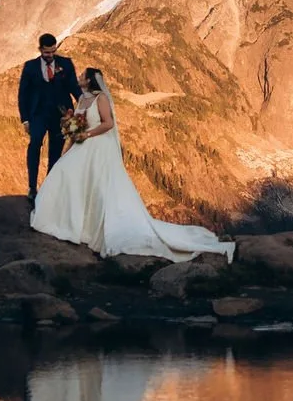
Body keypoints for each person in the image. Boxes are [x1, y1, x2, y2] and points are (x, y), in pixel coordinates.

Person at [30, 67, 235, 263]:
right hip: (82, 145)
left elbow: (108, 123)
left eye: (83, 75)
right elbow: (77, 123)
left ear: (90, 80)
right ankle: (67, 219)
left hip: (96, 146)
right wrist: (70, 136)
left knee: (93, 184)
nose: (80, 76)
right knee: (65, 172)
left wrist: (87, 134)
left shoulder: (100, 98)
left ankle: (88, 226)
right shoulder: (82, 99)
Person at [17, 32, 80, 201]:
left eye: (53, 51)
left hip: (60, 116)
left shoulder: (66, 64)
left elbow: (74, 87)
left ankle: (49, 188)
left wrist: (84, 105)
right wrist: (25, 119)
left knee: (55, 152)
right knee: (35, 144)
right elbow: (23, 94)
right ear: (40, 50)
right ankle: (32, 187)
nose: (50, 56)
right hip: (38, 114)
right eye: (47, 52)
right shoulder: (30, 67)